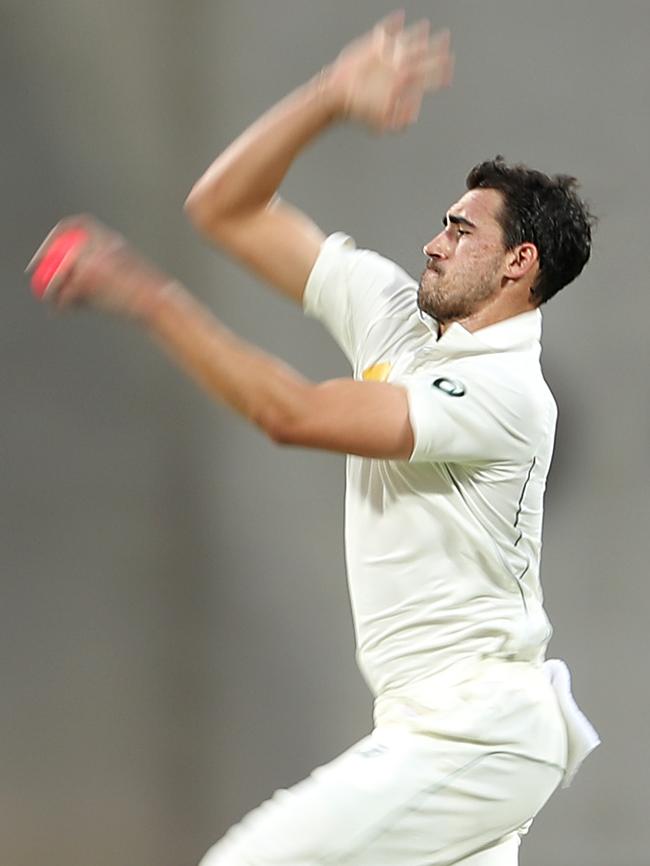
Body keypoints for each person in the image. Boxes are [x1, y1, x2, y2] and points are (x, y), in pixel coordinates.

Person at [29, 13, 600, 866]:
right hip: (449, 731)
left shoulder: (505, 390)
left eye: (459, 230)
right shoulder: (406, 323)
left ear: (519, 264)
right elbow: (224, 208)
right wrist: (329, 96)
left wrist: (146, 296)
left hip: (473, 733)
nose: (432, 243)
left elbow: (290, 415)